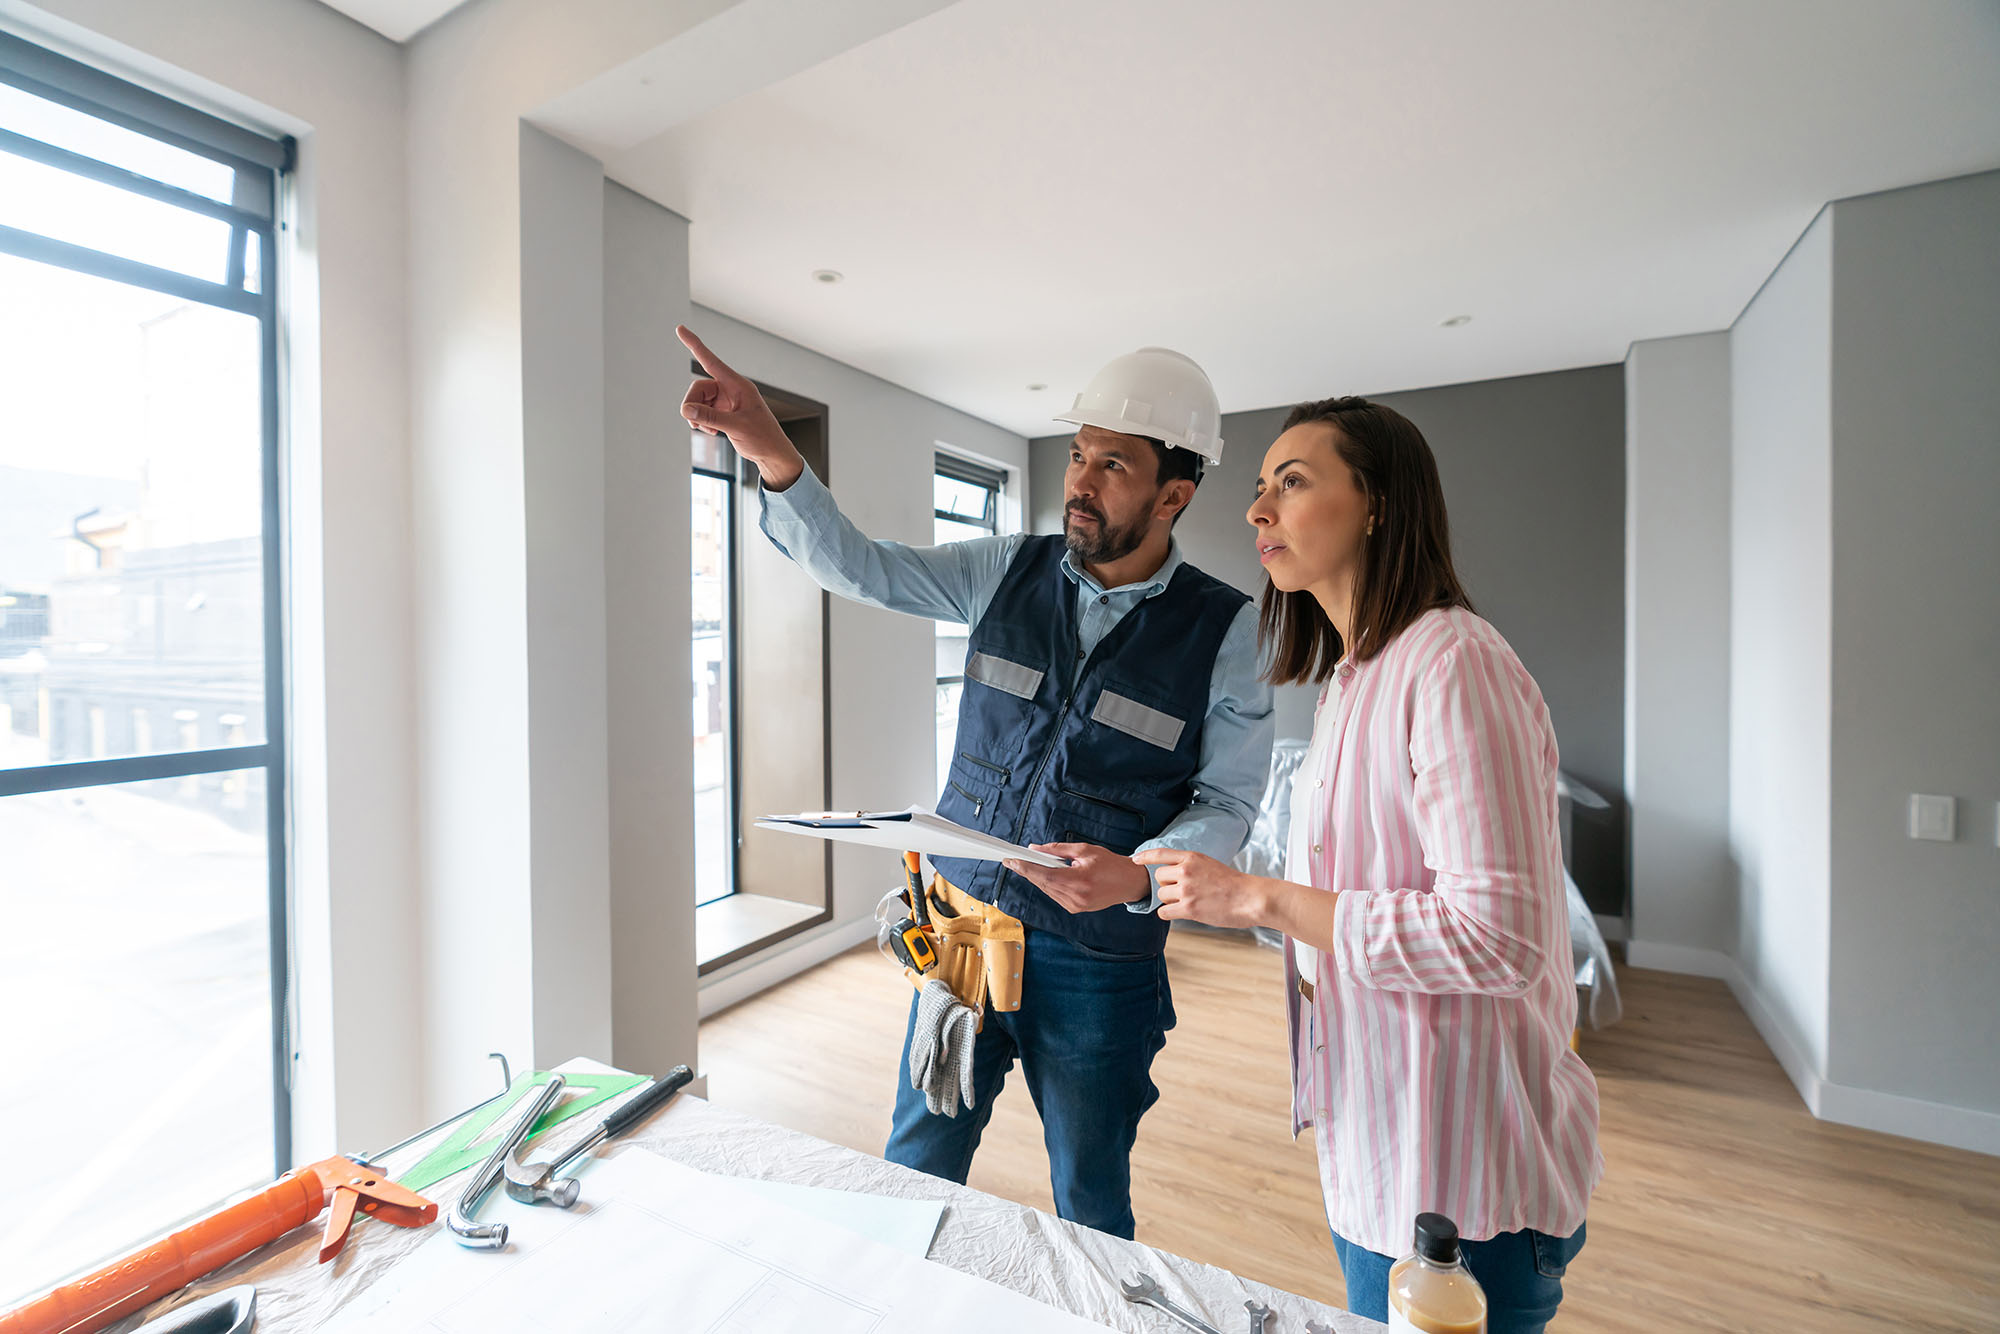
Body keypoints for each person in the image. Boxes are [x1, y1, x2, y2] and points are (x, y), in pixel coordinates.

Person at [677, 326, 1273, 1240]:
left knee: (1090, 1199)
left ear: (1174, 495)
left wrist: (1144, 875)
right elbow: (863, 567)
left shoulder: (1228, 632)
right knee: (915, 1164)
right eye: (1078, 455)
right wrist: (767, 446)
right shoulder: (1006, 569)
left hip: (1098, 959)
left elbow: (1228, 803)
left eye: (1112, 465)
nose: (1079, 480)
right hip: (961, 926)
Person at [1134, 397, 1600, 1332]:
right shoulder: (1354, 678)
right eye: (1259, 488)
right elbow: (1354, 899)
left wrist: (1258, 897)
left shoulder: (1455, 663)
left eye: (1292, 482)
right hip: (1378, 1150)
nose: (1257, 510)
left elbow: (1498, 938)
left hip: (1465, 1193)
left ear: (1379, 503)